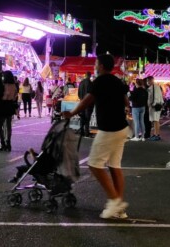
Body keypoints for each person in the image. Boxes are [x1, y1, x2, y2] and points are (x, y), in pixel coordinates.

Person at [61, 54, 130, 219]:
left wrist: (71, 113)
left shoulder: (100, 81)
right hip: (121, 128)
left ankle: (114, 201)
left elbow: (87, 100)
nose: (95, 67)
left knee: (94, 164)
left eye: (96, 64)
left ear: (101, 66)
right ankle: (119, 208)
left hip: (109, 129)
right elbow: (126, 101)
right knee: (114, 166)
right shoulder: (117, 81)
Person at [0, 71, 19, 151]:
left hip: (3, 105)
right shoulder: (14, 86)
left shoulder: (3, 85)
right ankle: (8, 142)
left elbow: (2, 96)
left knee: (0, 125)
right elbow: (15, 97)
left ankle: (3, 142)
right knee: (8, 125)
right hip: (10, 105)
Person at [146, 76, 164, 141]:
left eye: (148, 81)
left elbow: (154, 98)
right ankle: (155, 134)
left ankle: (157, 135)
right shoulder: (157, 87)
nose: (147, 82)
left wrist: (151, 104)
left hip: (154, 106)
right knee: (155, 121)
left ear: (151, 80)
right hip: (157, 106)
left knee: (155, 121)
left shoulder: (153, 88)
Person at [78, 72, 93, 136]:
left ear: (85, 75)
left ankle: (81, 131)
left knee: (82, 117)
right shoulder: (90, 83)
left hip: (82, 103)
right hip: (88, 104)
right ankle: (86, 132)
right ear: (90, 76)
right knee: (87, 118)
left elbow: (78, 94)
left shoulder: (81, 83)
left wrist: (81, 99)